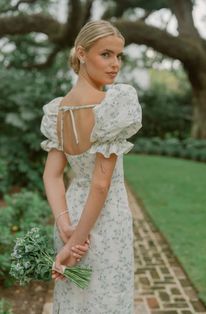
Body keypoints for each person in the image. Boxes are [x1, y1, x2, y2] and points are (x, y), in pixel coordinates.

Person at [40, 19, 142, 314]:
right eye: (106, 54)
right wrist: (74, 243)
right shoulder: (111, 108)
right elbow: (100, 185)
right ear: (82, 53)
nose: (115, 64)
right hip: (105, 217)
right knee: (107, 297)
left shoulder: (59, 110)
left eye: (119, 55)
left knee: (77, 297)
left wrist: (64, 225)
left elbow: (52, 175)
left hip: (72, 214)